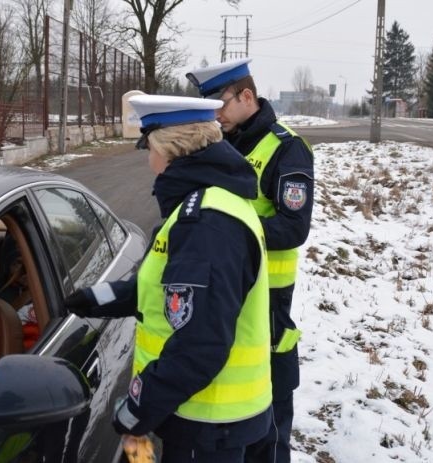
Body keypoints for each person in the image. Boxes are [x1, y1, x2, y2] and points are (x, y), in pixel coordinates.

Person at [65, 94, 272, 462]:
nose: (148, 161)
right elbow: (167, 292)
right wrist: (98, 298)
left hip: (209, 423)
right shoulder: (208, 203)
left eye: (149, 149)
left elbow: (200, 346)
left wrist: (139, 406)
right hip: (209, 418)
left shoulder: (205, 223)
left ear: (169, 149)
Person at [186, 58, 315, 463]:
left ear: (247, 96)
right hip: (224, 293)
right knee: (234, 405)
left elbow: (293, 228)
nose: (215, 113)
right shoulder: (220, 144)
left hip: (268, 301)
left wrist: (229, 230)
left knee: (271, 423)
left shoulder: (287, 148)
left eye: (220, 103)